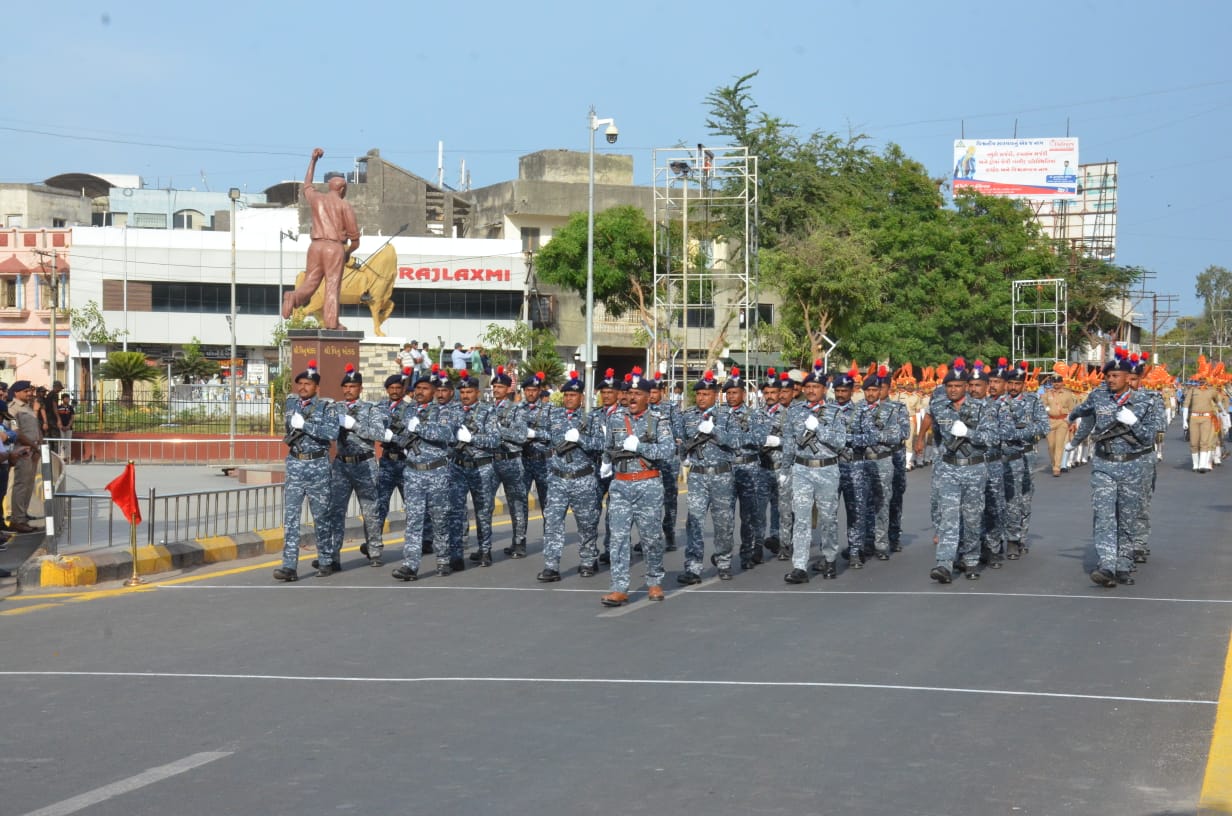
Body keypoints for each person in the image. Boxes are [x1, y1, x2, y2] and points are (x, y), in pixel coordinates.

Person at [1067, 347, 1161, 587]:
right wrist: (1073, 432)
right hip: (1104, 465)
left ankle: (1123, 563)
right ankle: (1107, 564)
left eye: (1115, 376)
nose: (1110, 379)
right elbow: (1084, 414)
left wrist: (1135, 423)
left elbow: (1150, 438)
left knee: (1127, 517)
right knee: (1104, 515)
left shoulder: (1146, 401)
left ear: (1129, 378)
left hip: (1132, 466)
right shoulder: (1099, 397)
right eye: (1108, 376)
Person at [598, 369, 676, 606]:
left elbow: (667, 451)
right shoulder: (614, 418)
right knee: (619, 538)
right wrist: (605, 461)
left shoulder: (658, 420)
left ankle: (654, 581)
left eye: (637, 394)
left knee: (651, 537)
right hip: (620, 484)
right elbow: (609, 446)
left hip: (648, 483)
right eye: (629, 393)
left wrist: (640, 447)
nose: (631, 398)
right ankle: (619, 587)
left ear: (647, 396)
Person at [929, 359, 1000, 584]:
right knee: (949, 517)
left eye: (957, 386)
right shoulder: (940, 407)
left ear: (966, 387)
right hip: (949, 468)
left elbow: (992, 438)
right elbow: (939, 437)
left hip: (974, 468)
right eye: (949, 386)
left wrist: (969, 433)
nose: (952, 390)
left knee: (971, 517)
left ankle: (970, 560)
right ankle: (944, 563)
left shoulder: (983, 407)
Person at [281, 148, 360, 330]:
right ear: (342, 189)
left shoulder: (317, 199)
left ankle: (293, 297)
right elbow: (355, 239)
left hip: (315, 246)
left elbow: (307, 185)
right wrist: (349, 252)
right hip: (334, 248)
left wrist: (313, 160)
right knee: (332, 285)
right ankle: (332, 323)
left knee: (311, 282)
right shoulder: (344, 206)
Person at [391, 365, 457, 580]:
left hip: (436, 472)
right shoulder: (409, 410)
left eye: (424, 388)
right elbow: (401, 433)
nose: (419, 392)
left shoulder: (444, 411)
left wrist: (419, 428)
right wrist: (399, 440)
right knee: (414, 520)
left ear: (435, 391)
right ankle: (410, 564)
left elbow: (445, 433)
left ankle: (444, 558)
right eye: (417, 388)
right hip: (413, 473)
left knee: (439, 518)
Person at [782, 362, 847, 583]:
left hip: (827, 468)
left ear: (824, 389)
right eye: (808, 386)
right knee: (800, 518)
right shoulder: (794, 411)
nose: (811, 390)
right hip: (801, 469)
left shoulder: (835, 411)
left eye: (815, 387)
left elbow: (840, 442)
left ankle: (829, 559)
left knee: (828, 518)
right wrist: (785, 469)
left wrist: (820, 428)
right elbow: (789, 443)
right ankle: (799, 566)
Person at [274, 361, 339, 581]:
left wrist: (307, 426)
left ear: (316, 388)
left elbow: (332, 432)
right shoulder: (291, 404)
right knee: (291, 518)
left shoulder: (327, 407)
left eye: (307, 384)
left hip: (318, 466)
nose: (302, 387)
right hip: (295, 465)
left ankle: (325, 559)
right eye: (300, 383)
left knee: (321, 516)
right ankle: (289, 566)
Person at [538, 371, 602, 581]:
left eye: (573, 396)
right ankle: (551, 565)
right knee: (553, 522)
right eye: (566, 395)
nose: (568, 399)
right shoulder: (553, 416)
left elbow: (601, 445)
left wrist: (581, 439)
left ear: (582, 397)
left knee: (586, 523)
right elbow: (544, 440)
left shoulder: (591, 418)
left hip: (583, 478)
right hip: (558, 479)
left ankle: (587, 560)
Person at [325, 364, 388, 571]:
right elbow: (327, 433)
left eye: (352, 386)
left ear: (360, 388)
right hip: (342, 465)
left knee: (371, 511)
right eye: (346, 387)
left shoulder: (371, 409)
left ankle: (375, 550)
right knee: (336, 511)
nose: (348, 390)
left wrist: (356, 426)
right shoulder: (336, 408)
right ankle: (333, 556)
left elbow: (379, 434)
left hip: (364, 463)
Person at [677, 371, 736, 584]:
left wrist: (715, 431)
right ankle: (693, 567)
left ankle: (723, 561)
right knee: (694, 522)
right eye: (699, 394)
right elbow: (681, 441)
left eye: (706, 394)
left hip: (722, 475)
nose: (701, 398)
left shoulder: (727, 415)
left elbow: (736, 441)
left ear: (715, 395)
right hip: (698, 476)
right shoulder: (688, 416)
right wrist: (684, 457)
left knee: (723, 522)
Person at [452, 370, 501, 566]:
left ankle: (485, 550)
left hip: (481, 467)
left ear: (477, 393)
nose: (465, 395)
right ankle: (456, 553)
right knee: (455, 510)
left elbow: (495, 439)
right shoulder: (453, 411)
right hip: (458, 466)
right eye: (462, 392)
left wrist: (472, 439)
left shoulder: (488, 412)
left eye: (469, 392)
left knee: (483, 510)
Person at [861, 366, 907, 561]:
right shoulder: (861, 409)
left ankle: (891, 536)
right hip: (867, 460)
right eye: (871, 389)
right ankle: (869, 540)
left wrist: (875, 437)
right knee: (866, 502)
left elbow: (902, 433)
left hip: (892, 458)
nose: (877, 392)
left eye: (881, 388)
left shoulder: (897, 408)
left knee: (891, 500)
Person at [721, 367, 765, 569]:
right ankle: (725, 556)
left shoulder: (754, 415)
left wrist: (730, 439)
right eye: (728, 393)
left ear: (743, 394)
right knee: (725, 516)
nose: (731, 396)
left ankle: (748, 553)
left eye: (734, 392)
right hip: (727, 469)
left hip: (749, 469)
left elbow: (759, 439)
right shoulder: (719, 415)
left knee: (748, 516)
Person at [488, 366, 531, 559]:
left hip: (511, 461)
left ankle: (519, 542)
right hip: (489, 461)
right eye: (494, 386)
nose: (496, 390)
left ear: (508, 389)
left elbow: (521, 436)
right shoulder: (486, 409)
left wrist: (499, 431)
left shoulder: (517, 410)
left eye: (500, 387)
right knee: (485, 504)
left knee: (517, 503)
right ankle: (485, 546)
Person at [649, 375, 683, 552]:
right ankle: (650, 536)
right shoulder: (644, 408)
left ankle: (669, 532)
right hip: (650, 460)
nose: (652, 395)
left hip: (669, 460)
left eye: (655, 391)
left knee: (669, 498)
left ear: (662, 391)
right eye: (650, 391)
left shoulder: (670, 408)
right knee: (650, 499)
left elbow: (678, 434)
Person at [7, 382, 42, 533]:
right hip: (23, 450)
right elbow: (18, 433)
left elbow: (35, 428)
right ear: (16, 393)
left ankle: (23, 514)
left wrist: (39, 445)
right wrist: (33, 447)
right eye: (25, 391)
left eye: (29, 390)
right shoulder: (12, 408)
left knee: (28, 485)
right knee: (21, 485)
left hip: (32, 450)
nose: (29, 393)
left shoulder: (28, 407)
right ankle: (17, 519)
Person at [1042, 376, 1079, 476]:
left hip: (1063, 421)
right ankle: (1054, 463)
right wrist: (1048, 409)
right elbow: (1042, 406)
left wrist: (1072, 423)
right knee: (1051, 445)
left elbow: (1072, 410)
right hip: (1050, 421)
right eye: (1054, 382)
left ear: (1062, 383)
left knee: (1059, 444)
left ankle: (1057, 467)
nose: (1056, 384)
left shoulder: (1067, 394)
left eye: (1058, 382)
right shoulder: (1047, 394)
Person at [1184, 374, 1221, 472]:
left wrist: (1222, 413)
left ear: (1207, 380)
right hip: (1194, 418)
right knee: (1194, 442)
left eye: (1204, 379)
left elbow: (1218, 402)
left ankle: (1202, 465)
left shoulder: (1212, 391)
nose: (1202, 381)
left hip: (1207, 418)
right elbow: (1186, 405)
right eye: (1200, 379)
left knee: (1204, 441)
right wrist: (1184, 420)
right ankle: (1195, 464)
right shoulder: (1192, 390)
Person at [56, 392, 74, 462]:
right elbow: (57, 417)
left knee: (68, 443)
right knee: (62, 443)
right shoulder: (59, 407)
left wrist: (68, 426)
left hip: (69, 428)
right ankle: (62, 458)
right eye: (66, 398)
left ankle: (68, 457)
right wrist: (61, 426)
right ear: (62, 399)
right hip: (61, 428)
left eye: (68, 398)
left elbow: (72, 418)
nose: (67, 399)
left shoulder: (70, 408)